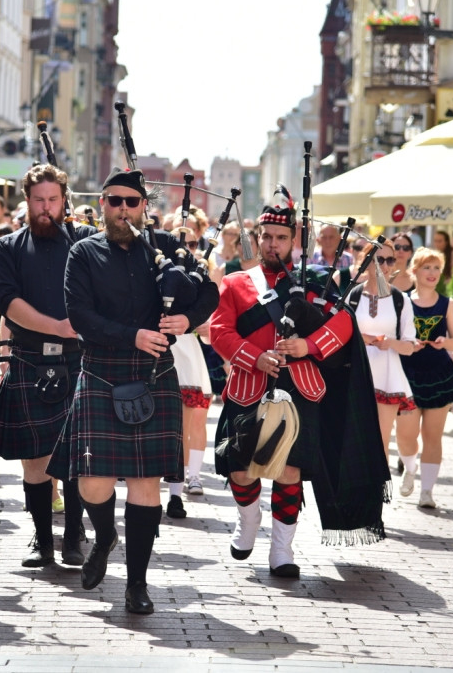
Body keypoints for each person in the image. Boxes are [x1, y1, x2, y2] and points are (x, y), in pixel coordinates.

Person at [47, 167, 218, 614]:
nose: (123, 209)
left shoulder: (164, 250)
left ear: (145, 207)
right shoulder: (83, 253)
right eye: (115, 201)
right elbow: (80, 316)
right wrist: (133, 335)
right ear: (102, 204)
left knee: (147, 484)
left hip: (153, 374)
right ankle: (104, 535)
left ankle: (136, 585)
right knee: (92, 483)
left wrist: (187, 321)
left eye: (132, 201)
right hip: (102, 370)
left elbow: (209, 292)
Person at [210, 193, 387, 580]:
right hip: (249, 386)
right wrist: (254, 356)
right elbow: (220, 331)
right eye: (267, 236)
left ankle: (282, 550)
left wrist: (307, 345)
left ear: (294, 240)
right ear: (257, 238)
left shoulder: (317, 282)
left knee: (289, 471)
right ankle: (250, 518)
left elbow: (342, 324)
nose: (273, 244)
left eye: (280, 237)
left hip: (301, 386)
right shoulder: (237, 283)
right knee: (241, 470)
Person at [0, 164, 95, 569]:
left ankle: (74, 536)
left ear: (64, 201)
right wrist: (59, 327)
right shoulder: (9, 246)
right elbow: (8, 303)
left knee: (79, 456)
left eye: (53, 200)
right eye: (38, 200)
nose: (46, 208)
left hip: (79, 360)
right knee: (35, 459)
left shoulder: (85, 241)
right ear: (26, 201)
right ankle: (42, 539)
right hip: (31, 357)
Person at [396, 248, 453, 509]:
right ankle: (409, 467)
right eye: (427, 267)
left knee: (433, 436)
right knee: (406, 435)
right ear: (415, 271)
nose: (432, 273)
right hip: (406, 374)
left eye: (437, 268)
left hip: (439, 374)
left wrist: (445, 342)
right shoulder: (401, 301)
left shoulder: (448, 304)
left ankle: (427, 492)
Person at [347, 239, 417, 461]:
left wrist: (390, 343)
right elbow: (340, 338)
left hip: (388, 377)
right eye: (379, 260)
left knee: (380, 441)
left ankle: (377, 495)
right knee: (353, 440)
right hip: (356, 375)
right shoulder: (353, 296)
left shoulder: (400, 300)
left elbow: (410, 346)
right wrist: (361, 339)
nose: (385, 266)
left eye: (390, 260)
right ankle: (355, 494)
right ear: (366, 262)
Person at [165, 209, 215, 519]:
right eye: (181, 242)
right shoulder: (154, 271)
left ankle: (183, 484)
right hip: (162, 352)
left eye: (194, 244)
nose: (189, 249)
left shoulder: (203, 275)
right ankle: (169, 489)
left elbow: (212, 329)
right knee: (171, 426)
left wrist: (197, 324)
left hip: (190, 353)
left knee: (192, 420)